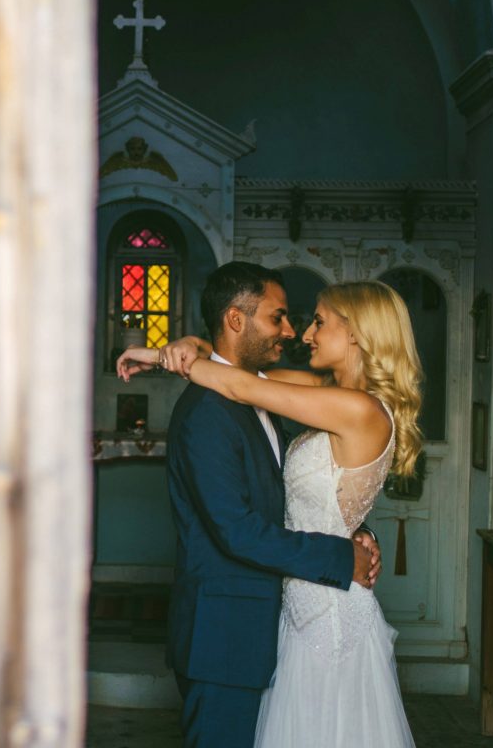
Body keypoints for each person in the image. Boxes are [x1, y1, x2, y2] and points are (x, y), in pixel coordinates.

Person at [116, 262, 390, 747]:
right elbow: (237, 530)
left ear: (356, 335)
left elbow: (311, 492)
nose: (295, 331)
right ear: (237, 321)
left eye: (313, 322)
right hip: (227, 635)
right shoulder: (209, 410)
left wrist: (356, 532)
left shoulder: (271, 395)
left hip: (281, 624)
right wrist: (341, 554)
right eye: (279, 317)